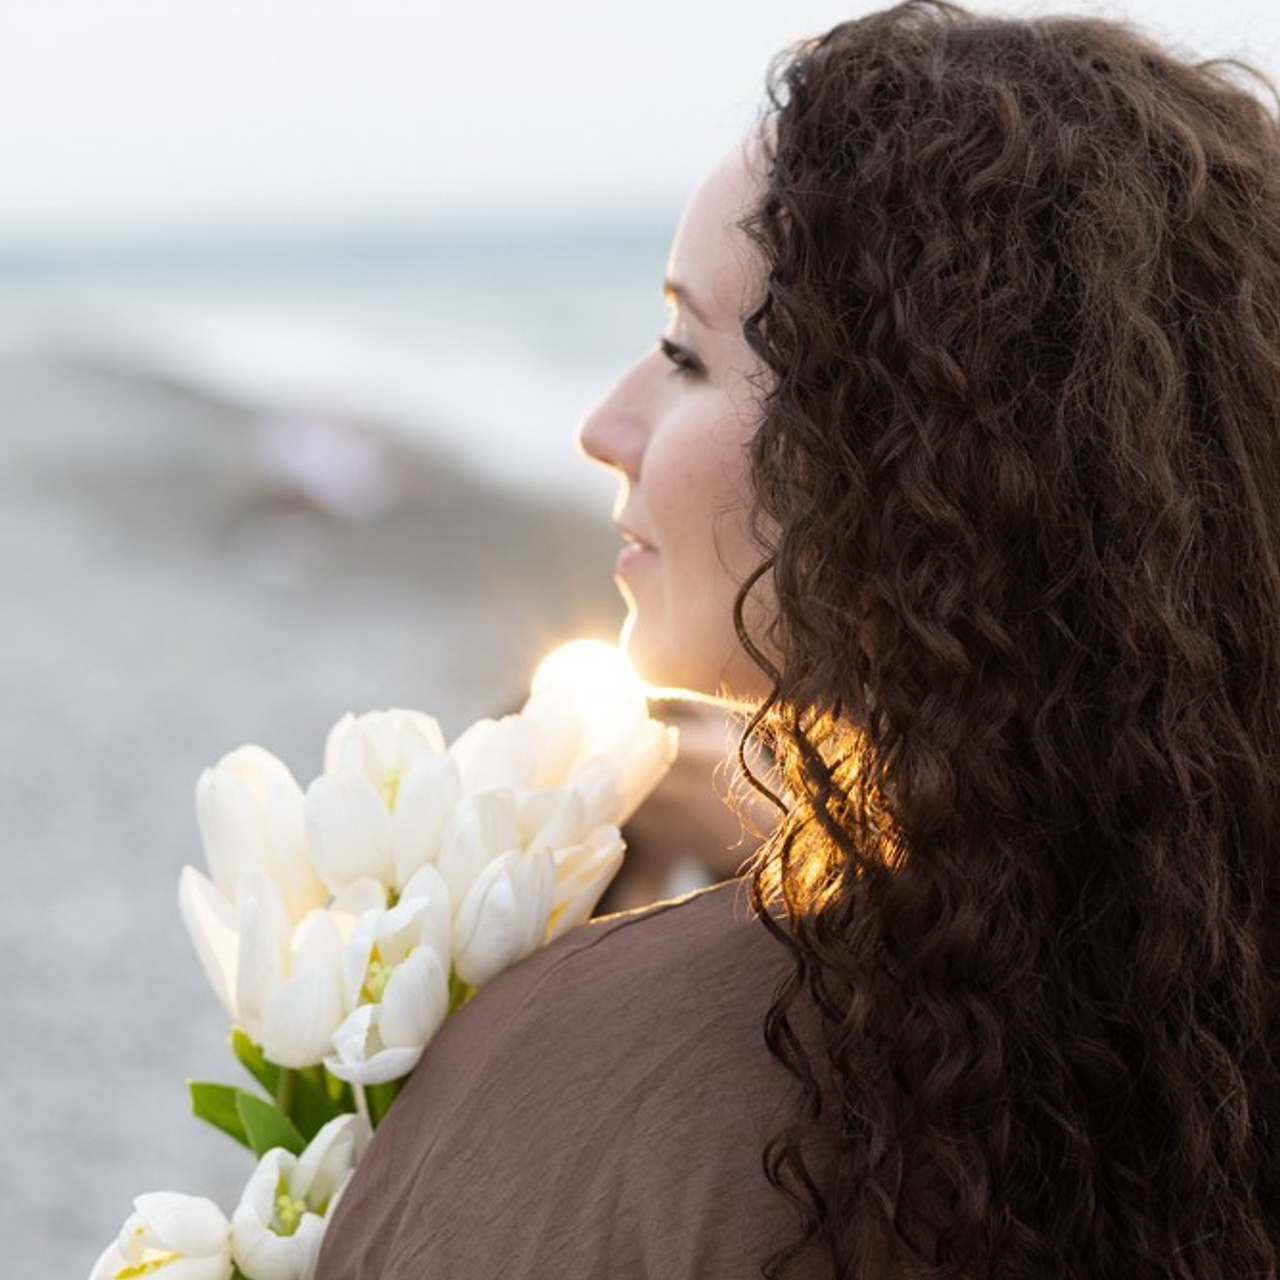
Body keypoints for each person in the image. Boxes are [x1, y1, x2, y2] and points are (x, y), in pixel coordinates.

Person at [316, 3, 1280, 1277]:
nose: (602, 426)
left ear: (903, 457)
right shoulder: (1193, 1010)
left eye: (684, 354)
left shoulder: (590, 1063)